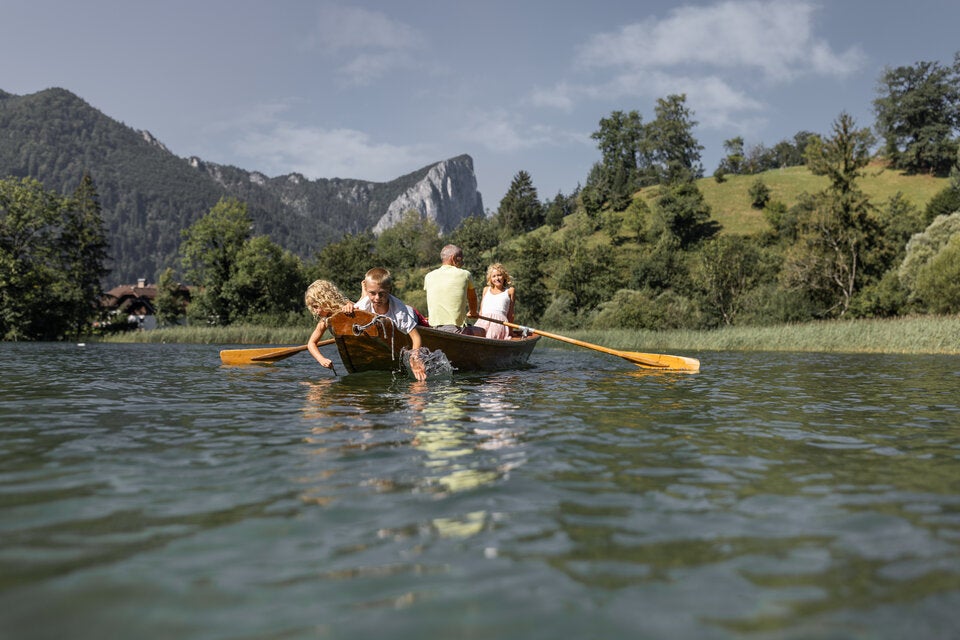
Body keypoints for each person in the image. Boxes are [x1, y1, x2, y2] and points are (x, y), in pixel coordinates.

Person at [349, 268, 427, 381]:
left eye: (382, 294)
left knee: (424, 325)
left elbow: (416, 337)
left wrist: (415, 358)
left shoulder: (399, 311)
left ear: (389, 290)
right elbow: (350, 315)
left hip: (413, 314)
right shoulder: (363, 304)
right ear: (367, 290)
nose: (377, 298)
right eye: (372, 293)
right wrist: (348, 306)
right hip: (386, 319)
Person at [423, 244, 485, 336]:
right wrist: (473, 312)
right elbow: (472, 299)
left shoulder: (428, 276)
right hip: (455, 329)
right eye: (461, 259)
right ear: (453, 258)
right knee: (482, 332)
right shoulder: (465, 274)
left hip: (433, 327)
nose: (462, 262)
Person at [304, 279, 351, 370]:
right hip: (348, 353)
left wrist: (350, 306)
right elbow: (311, 343)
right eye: (313, 308)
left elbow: (362, 309)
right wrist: (321, 359)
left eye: (316, 306)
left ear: (326, 300)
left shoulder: (345, 307)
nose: (315, 311)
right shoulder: (324, 322)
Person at [473, 263, 515, 340]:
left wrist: (510, 331)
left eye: (499, 275)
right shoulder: (486, 290)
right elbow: (481, 311)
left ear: (504, 277)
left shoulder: (510, 291)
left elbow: (511, 314)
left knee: (491, 336)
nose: (497, 278)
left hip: (499, 323)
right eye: (494, 276)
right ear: (490, 279)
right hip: (483, 321)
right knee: (473, 334)